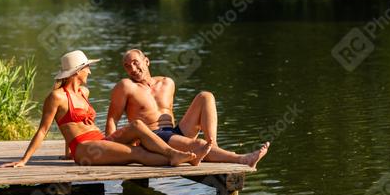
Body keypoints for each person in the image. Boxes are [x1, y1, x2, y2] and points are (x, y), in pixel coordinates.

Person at [1, 50, 212, 168]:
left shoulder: (84, 93)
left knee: (137, 125)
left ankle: (177, 154)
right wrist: (24, 160)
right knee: (136, 154)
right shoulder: (56, 97)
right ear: (77, 72)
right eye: (87, 68)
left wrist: (65, 152)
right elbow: (44, 130)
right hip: (85, 149)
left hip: (101, 142)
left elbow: (72, 123)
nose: (90, 72)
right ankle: (176, 156)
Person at [106, 49, 270, 169]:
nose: (133, 69)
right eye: (127, 66)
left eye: (136, 63)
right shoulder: (126, 86)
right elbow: (112, 119)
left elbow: (169, 112)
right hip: (153, 137)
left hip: (173, 132)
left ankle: (213, 148)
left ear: (146, 61)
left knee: (206, 96)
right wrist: (110, 148)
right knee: (198, 144)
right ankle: (243, 159)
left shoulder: (167, 82)